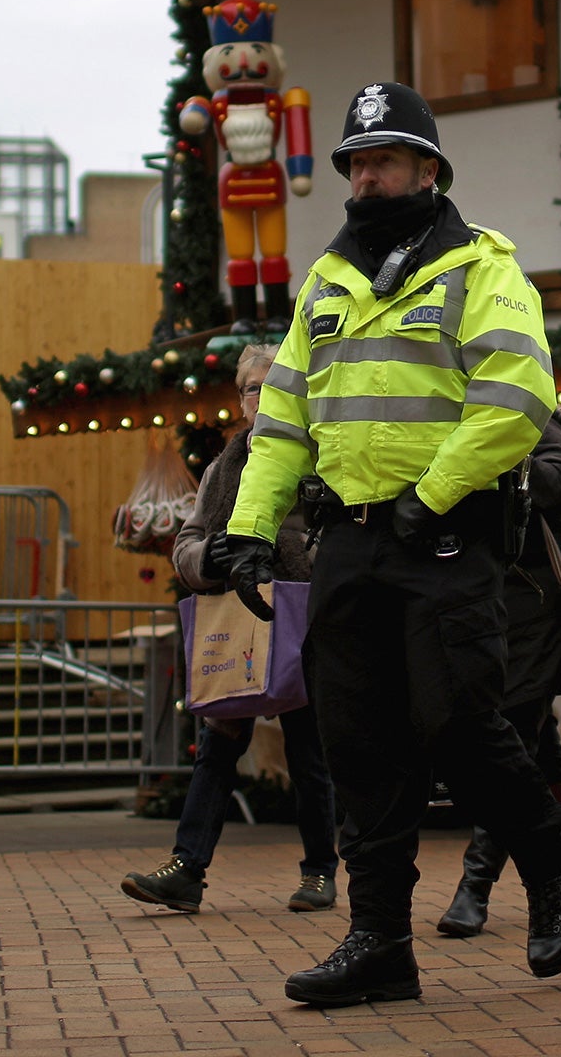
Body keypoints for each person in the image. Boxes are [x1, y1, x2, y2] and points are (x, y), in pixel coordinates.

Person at [224, 81, 561, 1008]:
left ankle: (552, 866)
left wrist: (431, 495)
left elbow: (515, 397)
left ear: (429, 168)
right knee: (360, 744)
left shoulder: (482, 267)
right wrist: (249, 531)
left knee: (460, 723)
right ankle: (379, 941)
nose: (365, 177)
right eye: (355, 162)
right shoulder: (328, 280)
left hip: (446, 540)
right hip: (349, 543)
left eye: (383, 159)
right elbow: (283, 422)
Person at [120, 345, 337, 916]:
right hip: (235, 621)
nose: (260, 399)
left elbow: (337, 544)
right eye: (250, 388)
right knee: (217, 746)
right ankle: (187, 869)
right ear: (239, 400)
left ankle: (321, 871)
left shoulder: (320, 456)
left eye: (272, 386)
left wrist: (274, 553)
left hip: (299, 621)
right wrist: (212, 559)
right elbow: (187, 545)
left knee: (308, 749)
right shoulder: (222, 467)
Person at [437, 405, 561, 936]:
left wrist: (496, 459)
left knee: (512, 735)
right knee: (536, 748)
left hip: (541, 600)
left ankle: (475, 886)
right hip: (486, 600)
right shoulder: (455, 412)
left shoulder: (537, 414)